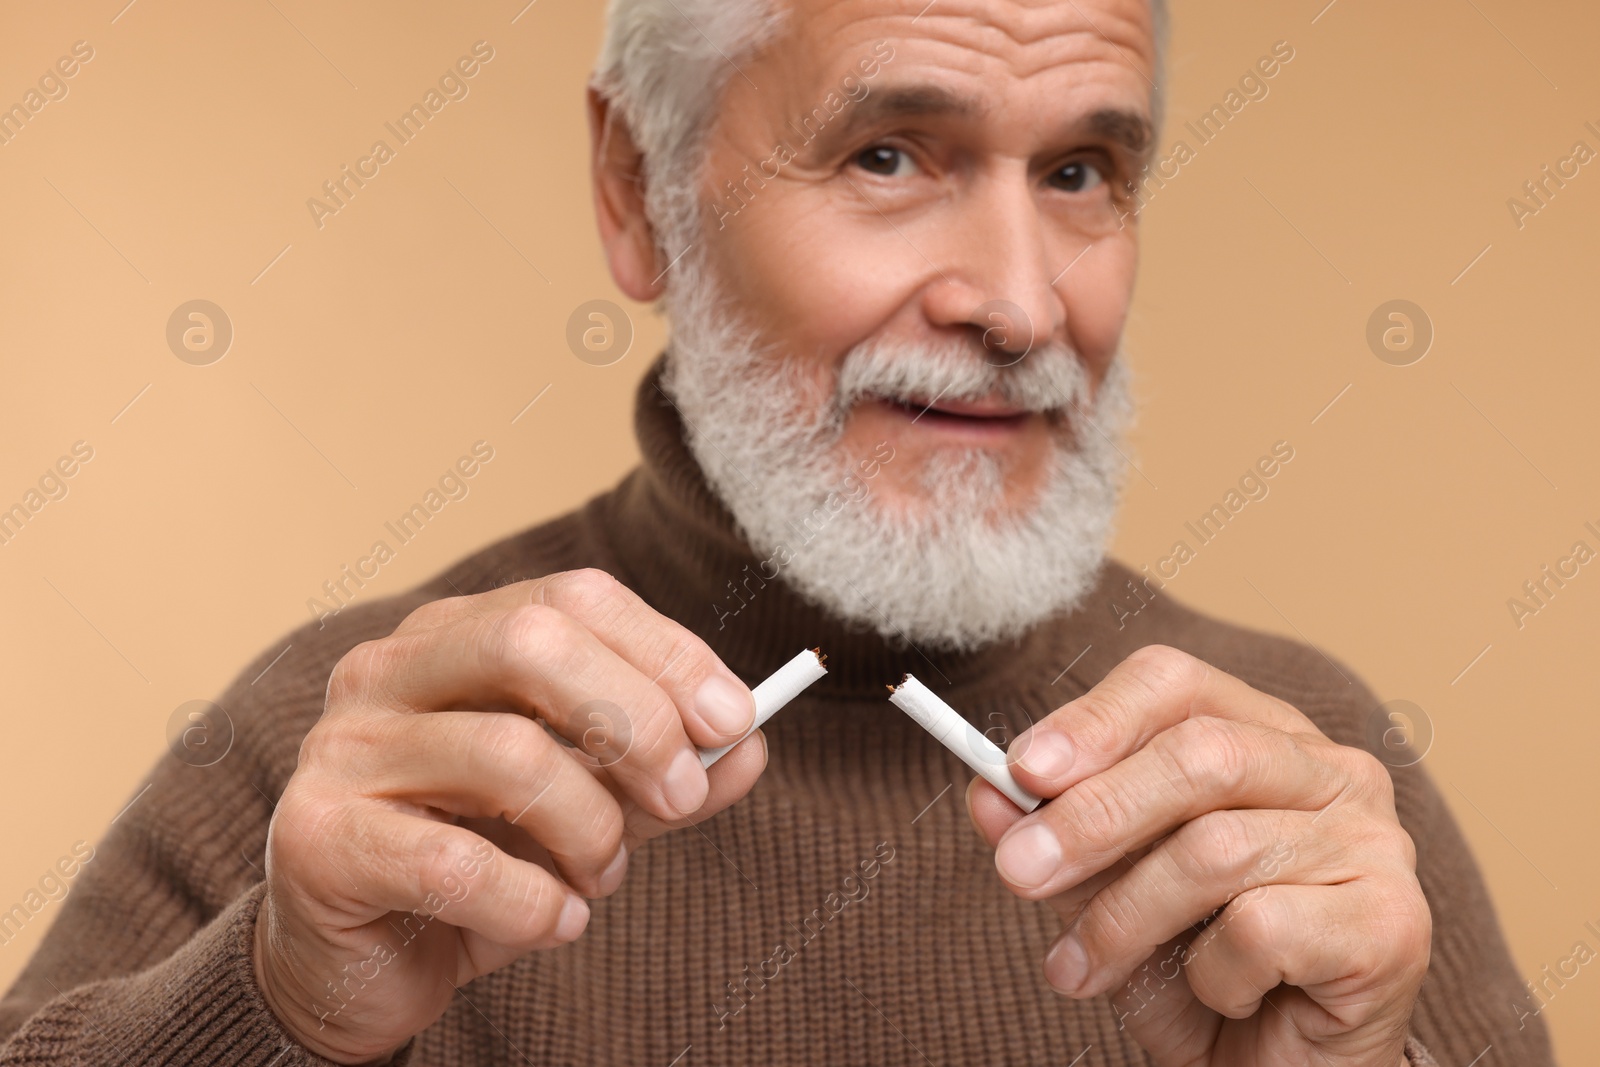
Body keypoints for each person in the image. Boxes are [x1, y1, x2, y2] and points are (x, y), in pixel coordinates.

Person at [0, 0, 1554, 1063]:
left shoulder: (1310, 782)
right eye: (888, 154)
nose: (1021, 305)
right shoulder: (341, 758)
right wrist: (278, 1011)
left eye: (1082, 172)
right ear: (637, 187)